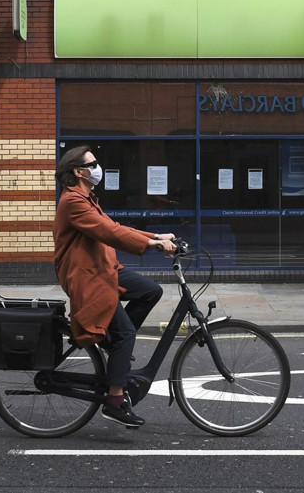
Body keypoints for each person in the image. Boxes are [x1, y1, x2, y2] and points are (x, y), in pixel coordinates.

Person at [53, 145, 177, 427]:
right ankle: (115, 401)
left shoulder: (86, 198)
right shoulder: (73, 201)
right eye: (92, 163)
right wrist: (151, 244)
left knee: (150, 291)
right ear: (78, 171)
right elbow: (109, 232)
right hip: (88, 277)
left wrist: (155, 235)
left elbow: (114, 225)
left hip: (103, 270)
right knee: (126, 334)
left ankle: (113, 342)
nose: (98, 168)